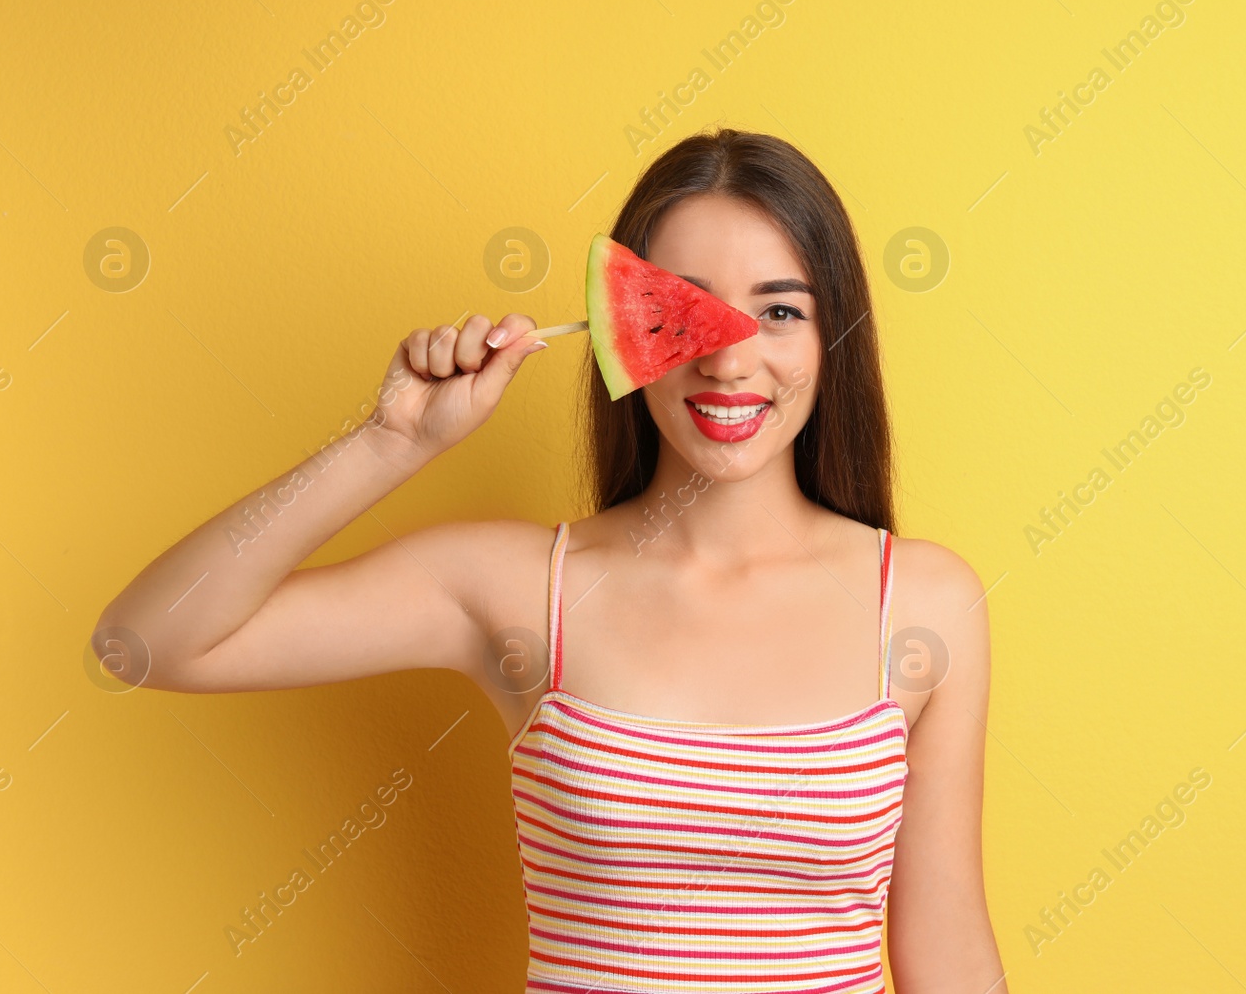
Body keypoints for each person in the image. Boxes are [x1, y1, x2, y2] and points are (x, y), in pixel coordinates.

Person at [94, 127, 1008, 992]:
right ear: (622, 330)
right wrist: (390, 443)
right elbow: (145, 642)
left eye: (778, 310)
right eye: (681, 311)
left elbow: (947, 943)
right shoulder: (520, 590)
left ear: (833, 335)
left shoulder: (922, 601)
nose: (730, 362)